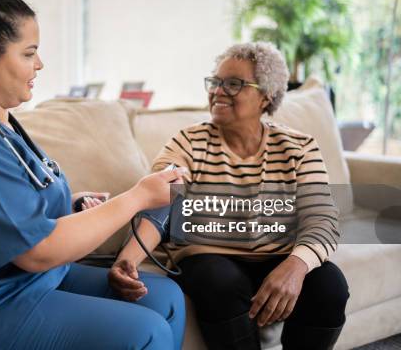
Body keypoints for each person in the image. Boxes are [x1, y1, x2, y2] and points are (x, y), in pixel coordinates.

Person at [0, 0, 187, 350]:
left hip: (19, 282)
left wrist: (72, 206)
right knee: (148, 332)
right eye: (29, 53)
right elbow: (37, 251)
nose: (40, 64)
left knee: (166, 300)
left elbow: (14, 209)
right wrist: (137, 197)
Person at [108, 42, 349, 350]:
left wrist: (295, 266)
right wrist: (128, 259)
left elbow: (323, 218)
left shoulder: (299, 147)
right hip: (210, 257)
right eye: (215, 82)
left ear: (266, 95)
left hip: (277, 252)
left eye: (234, 84)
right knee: (218, 281)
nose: (218, 91)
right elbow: (161, 199)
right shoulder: (189, 142)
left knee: (330, 286)